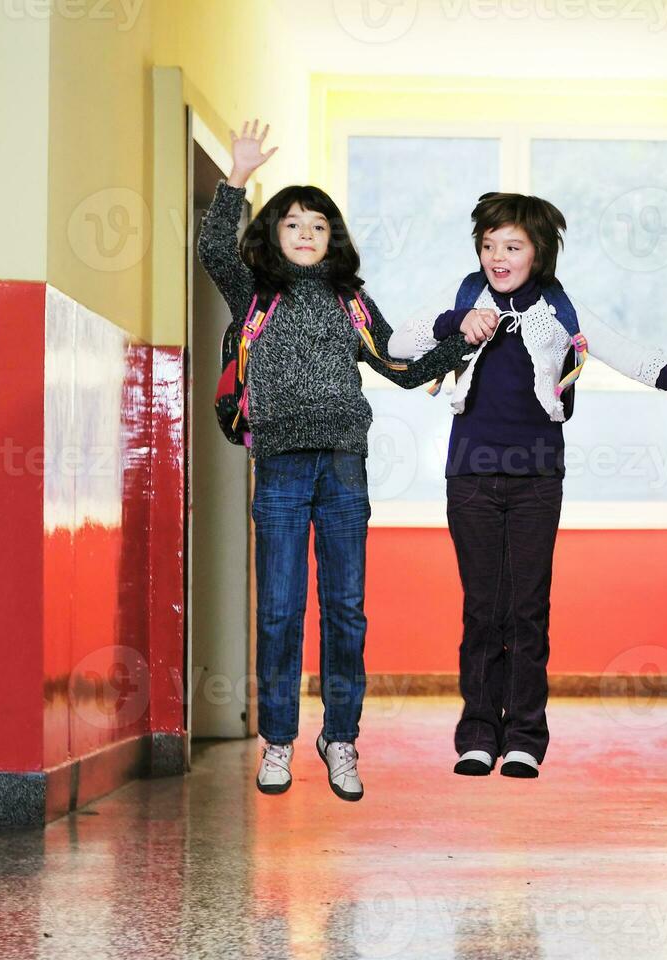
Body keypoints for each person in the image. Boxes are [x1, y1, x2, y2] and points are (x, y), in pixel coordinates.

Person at [388, 191, 667, 779]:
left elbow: (617, 347)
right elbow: (398, 344)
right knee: (485, 608)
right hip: (472, 475)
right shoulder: (465, 297)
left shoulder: (558, 308)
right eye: (488, 246)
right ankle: (479, 733)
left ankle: (525, 738)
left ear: (539, 251)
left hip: (537, 475)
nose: (497, 257)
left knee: (528, 607)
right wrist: (457, 323)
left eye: (512, 245)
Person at [198, 120, 470, 801]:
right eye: (293, 225)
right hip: (283, 467)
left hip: (345, 465)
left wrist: (458, 345)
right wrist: (236, 176)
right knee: (281, 610)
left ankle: (340, 738)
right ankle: (279, 743)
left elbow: (399, 367)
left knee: (346, 609)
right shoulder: (253, 290)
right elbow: (211, 249)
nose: (306, 235)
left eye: (319, 227)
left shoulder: (351, 301)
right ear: (274, 235)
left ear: (333, 239)